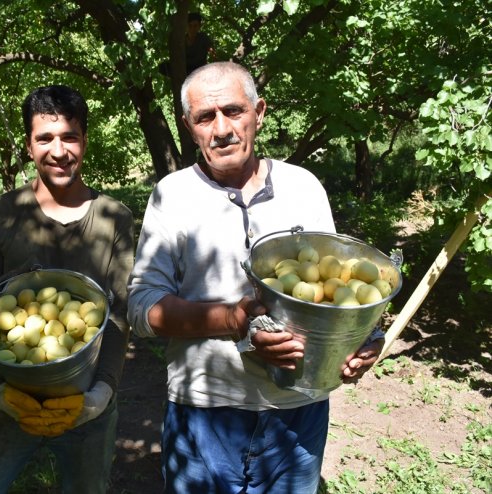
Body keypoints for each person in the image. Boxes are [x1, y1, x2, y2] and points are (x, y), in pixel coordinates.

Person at [127, 62, 384, 493]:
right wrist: (233, 321)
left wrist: (361, 336)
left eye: (234, 111)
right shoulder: (172, 195)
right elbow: (141, 309)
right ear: (190, 128)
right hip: (205, 411)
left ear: (259, 112)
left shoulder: (304, 186)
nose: (222, 128)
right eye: (205, 117)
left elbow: (337, 283)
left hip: (298, 411)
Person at [0, 85, 135, 494]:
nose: (58, 150)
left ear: (85, 141)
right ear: (29, 145)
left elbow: (119, 312)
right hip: (11, 398)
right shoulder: (0, 214)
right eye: (45, 138)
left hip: (85, 398)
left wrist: (101, 393)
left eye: (69, 136)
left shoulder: (114, 218)